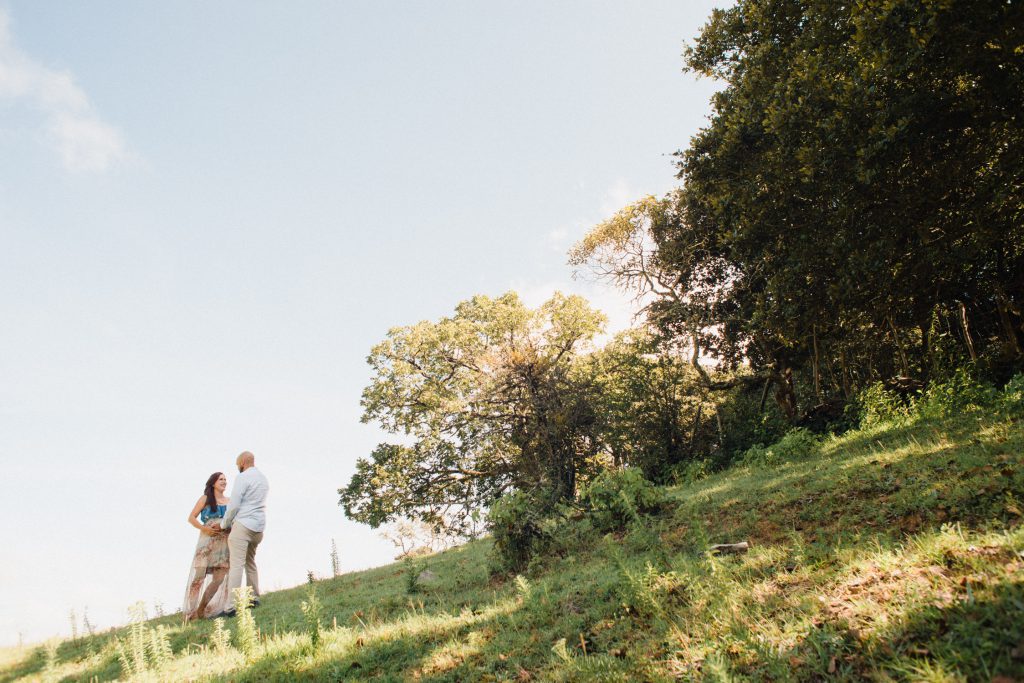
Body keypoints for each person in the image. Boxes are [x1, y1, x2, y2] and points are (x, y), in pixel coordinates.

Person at [212, 451, 269, 616]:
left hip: (243, 525)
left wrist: (223, 524)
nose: (237, 467)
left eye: (238, 464)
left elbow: (234, 504)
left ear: (243, 462)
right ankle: (254, 598)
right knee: (250, 562)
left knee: (236, 565)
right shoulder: (263, 479)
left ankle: (230, 607)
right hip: (258, 527)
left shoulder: (242, 478)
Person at [183, 472, 231, 620]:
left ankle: (202, 608)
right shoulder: (205, 499)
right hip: (207, 541)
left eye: (225, 479)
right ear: (213, 483)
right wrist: (204, 528)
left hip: (223, 541)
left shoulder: (229, 501)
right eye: (220, 479)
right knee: (199, 576)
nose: (224, 481)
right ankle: (191, 612)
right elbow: (191, 517)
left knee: (219, 577)